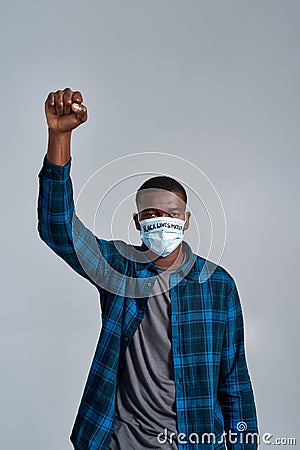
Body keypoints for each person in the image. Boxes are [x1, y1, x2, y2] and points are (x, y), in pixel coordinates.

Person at [37, 88, 259, 450]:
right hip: (121, 442)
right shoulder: (117, 267)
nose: (163, 222)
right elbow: (58, 228)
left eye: (171, 215)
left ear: (186, 221)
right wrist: (60, 137)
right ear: (138, 222)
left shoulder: (218, 285)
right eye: (152, 215)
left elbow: (234, 384)